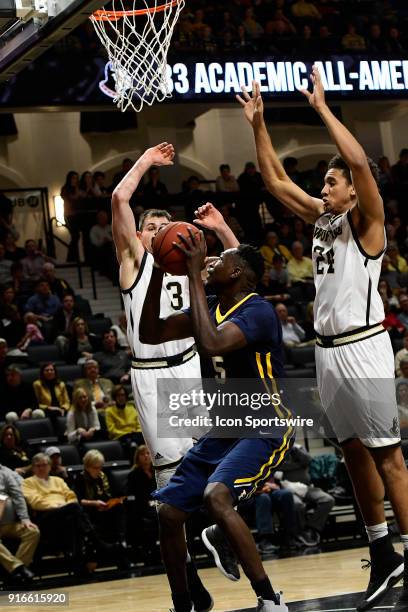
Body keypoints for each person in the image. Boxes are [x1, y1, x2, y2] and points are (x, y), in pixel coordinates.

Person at [238, 71, 408, 611]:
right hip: (327, 352)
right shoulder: (321, 220)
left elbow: (358, 162)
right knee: (353, 451)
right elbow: (274, 182)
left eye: (332, 183)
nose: (325, 187)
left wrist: (323, 109)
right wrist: (259, 123)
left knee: (390, 460)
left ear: (354, 191)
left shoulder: (369, 222)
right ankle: (383, 553)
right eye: (327, 183)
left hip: (363, 346)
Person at [111, 143, 239, 611]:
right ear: (139, 236)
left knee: (216, 471)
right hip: (151, 379)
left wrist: (222, 229)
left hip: (189, 369)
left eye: (166, 226)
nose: (160, 231)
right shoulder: (132, 261)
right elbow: (119, 202)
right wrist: (144, 161)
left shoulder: (189, 266)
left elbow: (241, 267)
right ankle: (185, 590)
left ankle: (219, 532)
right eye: (151, 227)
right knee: (170, 500)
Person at [139, 235, 293, 612]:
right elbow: (148, 334)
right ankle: (184, 604)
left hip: (264, 424)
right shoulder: (208, 306)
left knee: (216, 496)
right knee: (169, 514)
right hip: (223, 431)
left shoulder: (258, 312)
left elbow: (211, 344)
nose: (210, 263)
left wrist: (191, 272)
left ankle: (270, 600)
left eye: (219, 259)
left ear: (238, 272)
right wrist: (158, 273)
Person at [74, 450, 128, 568]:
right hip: (90, 510)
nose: (98, 470)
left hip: (105, 508)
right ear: (87, 466)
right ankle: (108, 546)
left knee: (120, 507)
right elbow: (78, 500)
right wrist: (94, 503)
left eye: (100, 467)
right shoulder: (80, 478)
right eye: (95, 467)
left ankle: (121, 541)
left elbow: (112, 494)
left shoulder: (104, 476)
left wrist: (114, 502)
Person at [0, 463, 39, 586]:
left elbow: (17, 495)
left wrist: (25, 519)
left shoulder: (5, 472)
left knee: (32, 532)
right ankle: (19, 569)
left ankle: (14, 573)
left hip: (9, 523)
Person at [105, 385, 143, 456]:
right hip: (121, 436)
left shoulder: (131, 409)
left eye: (123, 395)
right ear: (115, 397)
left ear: (126, 396)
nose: (121, 397)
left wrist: (137, 431)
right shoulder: (109, 411)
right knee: (128, 441)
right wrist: (126, 433)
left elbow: (139, 425)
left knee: (144, 437)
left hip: (135, 435)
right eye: (118, 395)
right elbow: (112, 430)